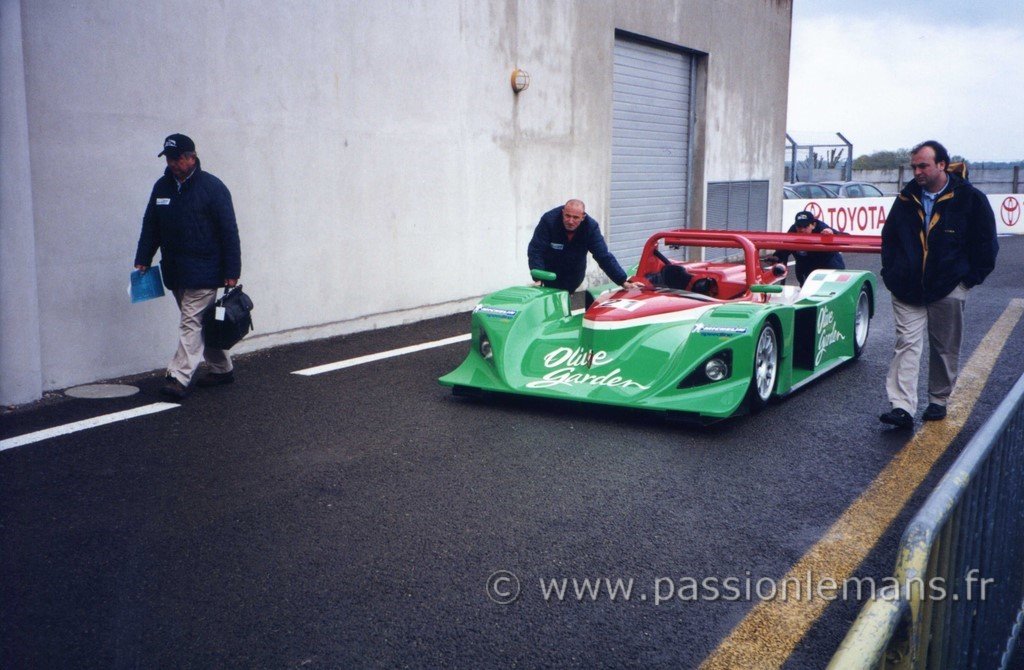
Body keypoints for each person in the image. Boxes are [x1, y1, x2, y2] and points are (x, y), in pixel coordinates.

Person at [878, 140, 998, 429]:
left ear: (941, 165)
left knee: (944, 347)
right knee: (906, 344)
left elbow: (986, 245)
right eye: (914, 166)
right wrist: (891, 274)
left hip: (948, 287)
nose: (917, 171)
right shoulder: (906, 199)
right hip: (906, 288)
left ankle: (938, 400)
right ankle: (902, 407)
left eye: (923, 165)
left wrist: (968, 281)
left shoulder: (971, 199)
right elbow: (889, 238)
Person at [134, 133, 242, 399]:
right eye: (169, 158)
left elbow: (229, 231)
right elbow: (151, 225)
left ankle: (178, 377)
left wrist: (232, 272)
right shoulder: (162, 187)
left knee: (190, 322)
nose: (172, 163)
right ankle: (221, 369)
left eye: (177, 158)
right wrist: (143, 258)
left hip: (205, 271)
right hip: (175, 271)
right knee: (200, 323)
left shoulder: (213, 188)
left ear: (191, 157)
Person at [527, 199, 641, 300]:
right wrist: (539, 277)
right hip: (548, 273)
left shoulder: (591, 227)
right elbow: (536, 249)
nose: (570, 221)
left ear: (583, 217)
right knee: (549, 303)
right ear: (562, 212)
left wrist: (623, 281)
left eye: (575, 217)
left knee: (564, 301)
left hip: (573, 273)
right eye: (567, 216)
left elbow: (603, 256)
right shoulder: (549, 220)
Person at [766, 210, 845, 285]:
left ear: (813, 225)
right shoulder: (793, 231)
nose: (802, 229)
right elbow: (784, 248)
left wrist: (832, 233)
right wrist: (776, 257)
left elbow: (845, 238)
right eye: (799, 226)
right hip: (805, 266)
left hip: (828, 265)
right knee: (805, 290)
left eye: (805, 226)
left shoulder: (823, 229)